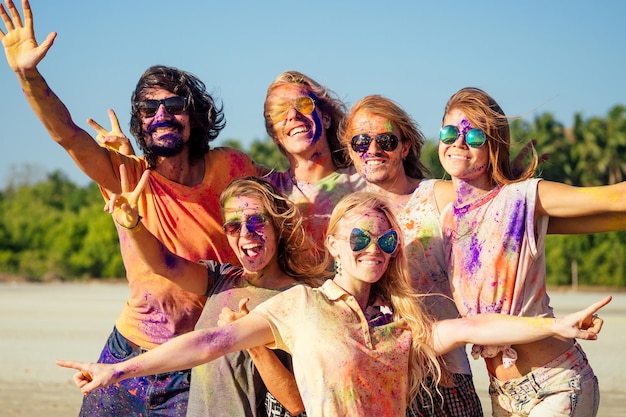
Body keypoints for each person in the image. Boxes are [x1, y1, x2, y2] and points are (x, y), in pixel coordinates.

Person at [57, 192, 611, 417]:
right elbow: (208, 342)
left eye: (386, 241)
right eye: (362, 240)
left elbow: (472, 327)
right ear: (333, 246)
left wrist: (553, 323)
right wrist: (118, 369)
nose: (376, 250)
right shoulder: (296, 306)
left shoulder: (404, 322)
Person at [0, 1, 262, 415]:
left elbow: (293, 191)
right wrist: (28, 75)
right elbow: (68, 136)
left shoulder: (230, 167)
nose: (162, 115)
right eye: (148, 108)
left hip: (198, 359)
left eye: (174, 107)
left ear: (194, 117)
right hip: (127, 350)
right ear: (139, 122)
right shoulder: (125, 174)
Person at [437, 86, 626, 416]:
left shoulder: (524, 197)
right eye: (450, 131)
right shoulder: (448, 219)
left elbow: (613, 199)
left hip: (556, 383)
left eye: (475, 137)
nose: (459, 143)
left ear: (494, 146)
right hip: (503, 396)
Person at [106, 172, 317, 416]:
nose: (246, 233)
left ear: (278, 225)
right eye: (234, 226)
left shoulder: (300, 298)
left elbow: (297, 402)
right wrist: (132, 224)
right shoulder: (221, 279)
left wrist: (251, 342)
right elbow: (162, 264)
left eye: (257, 221)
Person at [339, 95, 482, 417]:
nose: (372, 150)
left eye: (385, 140)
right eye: (360, 142)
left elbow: (506, 215)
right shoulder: (349, 215)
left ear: (405, 147)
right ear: (350, 150)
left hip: (444, 377)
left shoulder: (439, 196)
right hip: (378, 381)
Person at [262, 71, 365, 247]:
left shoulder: (365, 184)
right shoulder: (268, 195)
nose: (293, 114)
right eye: (280, 111)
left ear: (325, 118)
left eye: (303, 104)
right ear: (275, 135)